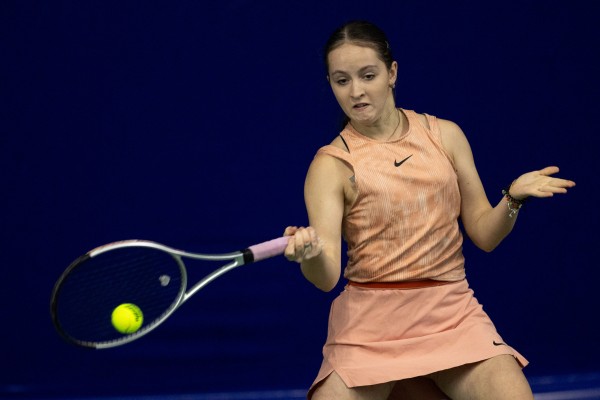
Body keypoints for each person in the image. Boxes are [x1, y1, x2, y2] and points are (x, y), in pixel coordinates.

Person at [283, 20, 576, 400]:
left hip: (451, 316)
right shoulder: (331, 165)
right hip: (369, 328)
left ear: (392, 73)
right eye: (342, 81)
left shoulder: (445, 135)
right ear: (330, 84)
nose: (356, 91)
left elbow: (484, 235)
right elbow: (325, 278)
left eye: (368, 75)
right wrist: (309, 254)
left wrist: (513, 199)